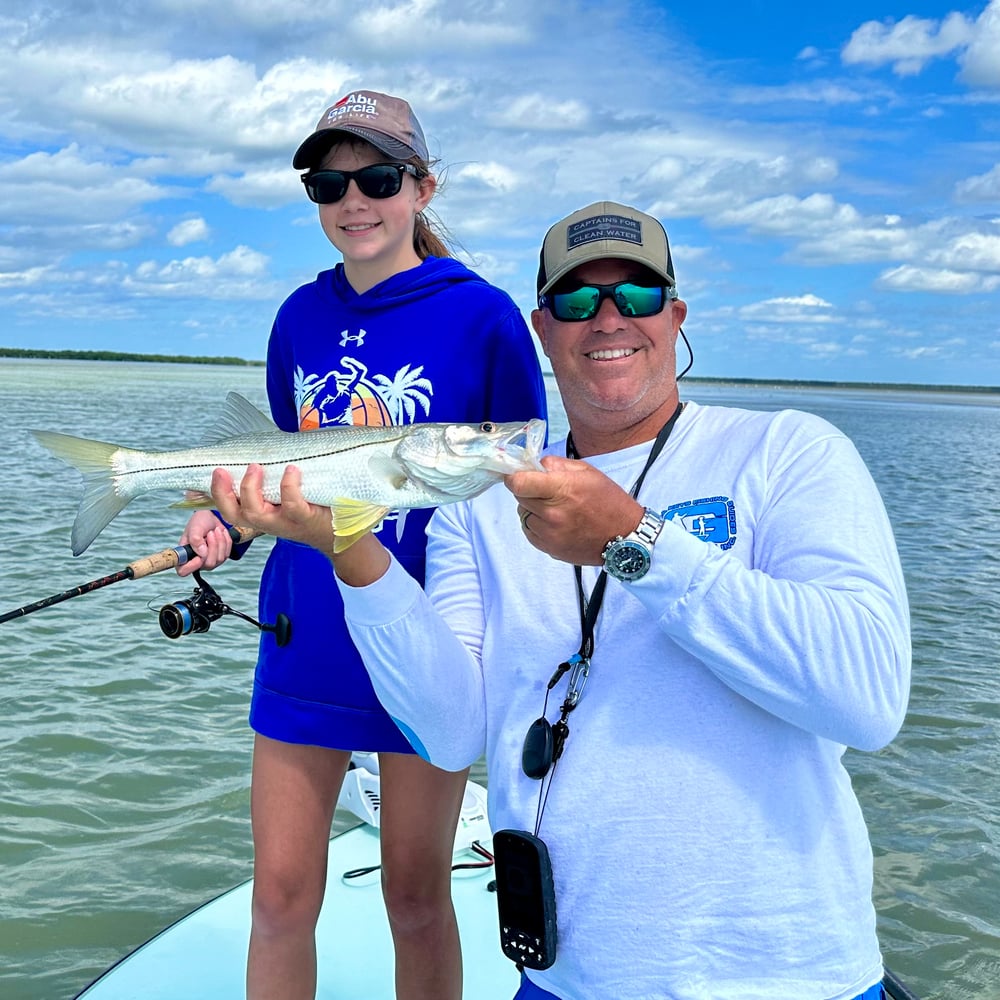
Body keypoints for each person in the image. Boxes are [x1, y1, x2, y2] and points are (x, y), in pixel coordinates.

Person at [210, 201, 911, 1000]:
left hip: (789, 978)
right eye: (577, 301)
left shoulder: (788, 451)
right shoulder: (480, 506)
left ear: (675, 315)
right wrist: (349, 548)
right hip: (566, 979)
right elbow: (448, 733)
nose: (607, 319)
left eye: (636, 296)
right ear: (542, 328)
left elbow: (868, 700)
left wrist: (637, 541)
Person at [178, 90, 546, 1000]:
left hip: (429, 636)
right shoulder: (299, 317)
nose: (354, 199)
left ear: (422, 187)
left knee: (417, 898)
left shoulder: (485, 316)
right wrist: (224, 518)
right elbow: (282, 458)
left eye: (378, 177)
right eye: (328, 183)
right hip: (306, 634)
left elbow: (523, 479)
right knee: (279, 899)